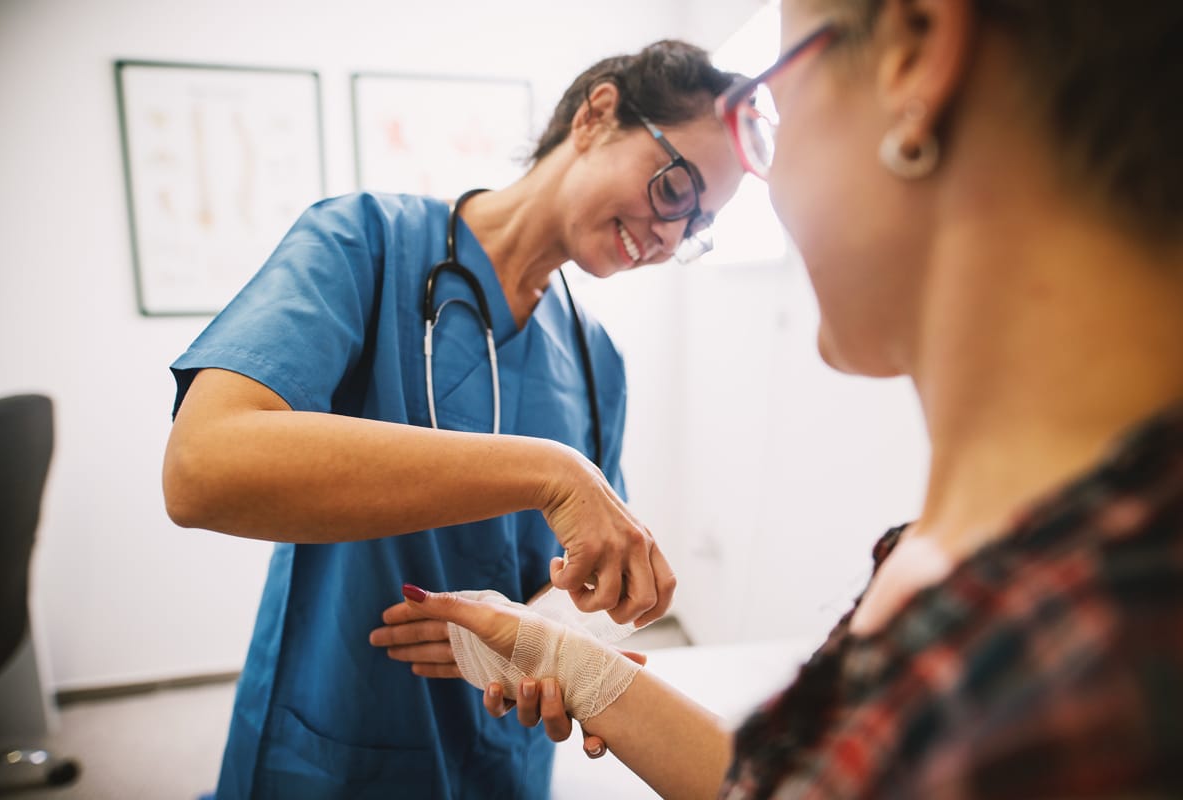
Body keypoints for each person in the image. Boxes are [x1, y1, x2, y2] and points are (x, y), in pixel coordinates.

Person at [373, 0, 1183, 796]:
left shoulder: (1081, 668)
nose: (775, 173)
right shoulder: (986, 568)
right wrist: (570, 663)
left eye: (776, 115)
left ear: (916, 49)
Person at [162, 40, 745, 799]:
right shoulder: (363, 243)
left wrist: (552, 644)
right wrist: (549, 471)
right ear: (598, 115)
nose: (669, 237)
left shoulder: (598, 359)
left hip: (504, 748)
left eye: (695, 226)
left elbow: (575, 587)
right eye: (676, 190)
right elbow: (201, 469)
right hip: (338, 736)